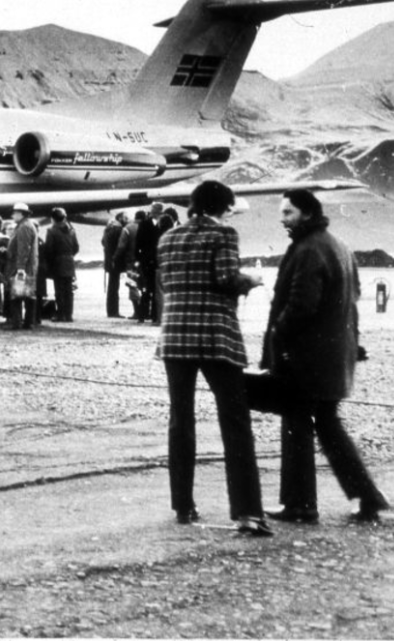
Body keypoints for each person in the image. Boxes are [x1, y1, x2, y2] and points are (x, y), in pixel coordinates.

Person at [255, 189, 389, 524]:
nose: (282, 219)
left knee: (298, 423)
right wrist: (352, 346)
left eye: (288, 212)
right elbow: (351, 303)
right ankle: (366, 496)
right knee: (327, 425)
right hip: (332, 354)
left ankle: (300, 504)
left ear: (306, 214)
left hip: (306, 357)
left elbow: (302, 304)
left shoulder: (309, 249)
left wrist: (277, 336)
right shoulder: (338, 246)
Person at [156, 180, 270, 536]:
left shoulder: (168, 238)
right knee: (235, 422)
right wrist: (251, 279)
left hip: (174, 336)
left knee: (181, 420)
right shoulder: (224, 235)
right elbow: (225, 278)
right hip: (215, 335)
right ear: (224, 206)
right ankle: (248, 511)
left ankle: (183, 505)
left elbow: (166, 283)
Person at [5, 202, 39, 329]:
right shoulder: (26, 225)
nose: (13, 215)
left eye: (14, 213)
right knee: (27, 295)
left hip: (22, 268)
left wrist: (20, 268)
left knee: (17, 296)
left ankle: (18, 323)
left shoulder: (23, 227)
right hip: (27, 267)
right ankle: (28, 322)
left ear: (20, 214)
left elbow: (23, 249)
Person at [45, 207, 79, 322]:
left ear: (53, 219)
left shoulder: (51, 231)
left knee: (59, 290)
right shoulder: (72, 230)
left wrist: (51, 261)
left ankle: (61, 314)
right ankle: (69, 315)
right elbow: (76, 248)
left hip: (57, 262)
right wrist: (68, 256)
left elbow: (49, 249)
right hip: (69, 262)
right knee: (69, 290)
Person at [101, 211, 124, 318]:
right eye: (125, 218)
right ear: (120, 218)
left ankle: (111, 311)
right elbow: (120, 245)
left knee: (112, 287)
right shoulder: (118, 229)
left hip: (108, 261)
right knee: (114, 287)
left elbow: (103, 242)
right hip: (115, 261)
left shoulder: (107, 229)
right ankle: (114, 311)